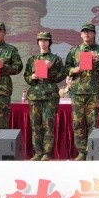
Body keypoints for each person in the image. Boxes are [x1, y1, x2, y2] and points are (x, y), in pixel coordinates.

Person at [64, 23, 99, 160]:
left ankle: (92, 151)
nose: (86, 34)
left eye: (89, 32)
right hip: (77, 91)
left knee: (93, 122)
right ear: (80, 34)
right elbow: (65, 68)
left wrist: (98, 61)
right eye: (84, 32)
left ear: (94, 34)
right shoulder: (74, 51)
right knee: (78, 123)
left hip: (93, 92)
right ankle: (81, 152)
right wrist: (74, 70)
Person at [23, 32, 66, 161]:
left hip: (50, 95)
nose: (43, 43)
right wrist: (32, 77)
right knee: (35, 124)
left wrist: (50, 69)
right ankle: (38, 152)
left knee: (48, 124)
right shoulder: (32, 59)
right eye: (40, 40)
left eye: (45, 40)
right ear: (38, 42)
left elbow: (60, 77)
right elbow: (26, 77)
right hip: (35, 95)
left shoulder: (55, 59)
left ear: (49, 42)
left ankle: (47, 153)